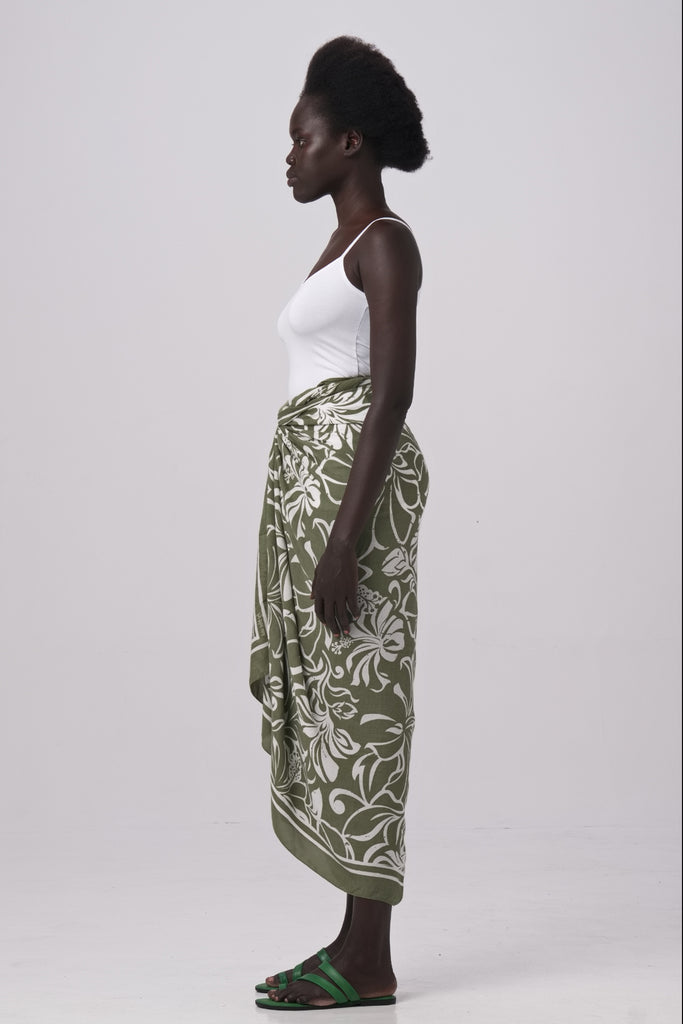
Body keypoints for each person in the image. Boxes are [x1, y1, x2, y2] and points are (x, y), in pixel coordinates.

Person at [249, 35, 430, 1011]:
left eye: (302, 138)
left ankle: (368, 960)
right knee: (339, 711)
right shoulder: (339, 245)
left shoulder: (384, 243)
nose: (290, 156)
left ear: (348, 142)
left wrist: (344, 541)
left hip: (352, 505)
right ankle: (356, 946)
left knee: (366, 710)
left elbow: (391, 393)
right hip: (318, 496)